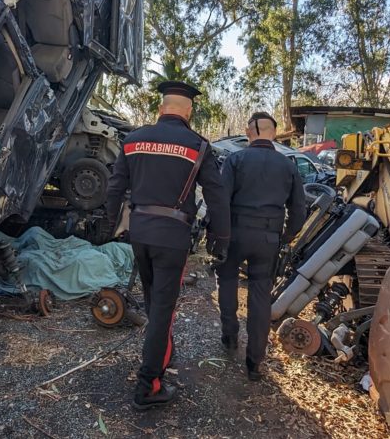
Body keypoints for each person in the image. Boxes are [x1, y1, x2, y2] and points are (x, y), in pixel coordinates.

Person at [106, 80, 230, 410]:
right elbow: (217, 196)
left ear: (161, 109)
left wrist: (107, 226)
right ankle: (149, 386)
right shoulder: (197, 145)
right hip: (172, 238)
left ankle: (161, 347)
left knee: (153, 300)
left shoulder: (132, 140)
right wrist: (222, 237)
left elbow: (115, 186)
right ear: (189, 112)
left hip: (140, 234)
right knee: (162, 309)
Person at [215, 111, 307, 381]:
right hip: (268, 236)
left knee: (228, 279)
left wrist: (217, 234)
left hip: (235, 232)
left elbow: (220, 200)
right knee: (259, 294)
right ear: (273, 133)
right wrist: (286, 236)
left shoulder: (236, 159)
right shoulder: (288, 165)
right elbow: (299, 210)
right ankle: (255, 361)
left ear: (249, 131)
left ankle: (229, 335)